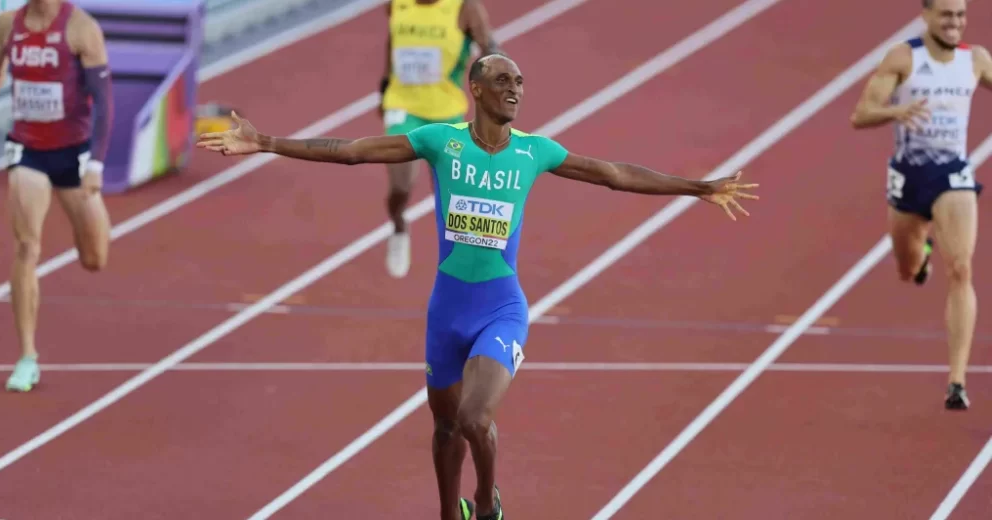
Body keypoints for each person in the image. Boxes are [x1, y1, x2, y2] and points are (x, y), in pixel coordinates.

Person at [197, 53, 759, 520]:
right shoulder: (441, 141)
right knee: (445, 428)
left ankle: (487, 505)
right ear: (476, 89)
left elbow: (614, 175)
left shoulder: (534, 152)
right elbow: (350, 152)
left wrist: (697, 187)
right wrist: (264, 141)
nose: (515, 89)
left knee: (473, 418)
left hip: (500, 308)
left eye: (520, 82)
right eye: (503, 80)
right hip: (446, 312)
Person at [850, 0, 990, 410]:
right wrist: (896, 110)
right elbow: (861, 115)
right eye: (946, 15)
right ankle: (922, 254)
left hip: (952, 173)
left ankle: (957, 382)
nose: (955, 22)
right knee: (907, 269)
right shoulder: (903, 58)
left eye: (960, 15)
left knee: (961, 268)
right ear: (926, 16)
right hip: (909, 178)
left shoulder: (976, 59)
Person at [0, 0, 114, 392]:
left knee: (94, 258)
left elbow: (104, 103)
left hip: (73, 154)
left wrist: (96, 165)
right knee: (26, 247)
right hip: (27, 150)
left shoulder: (81, 28)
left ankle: (94, 213)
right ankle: (27, 357)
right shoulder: (8, 24)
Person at [379, 0, 499, 278]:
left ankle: (460, 256)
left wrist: (497, 66)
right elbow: (393, 41)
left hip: (446, 115)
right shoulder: (397, 4)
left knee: (449, 194)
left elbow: (489, 49)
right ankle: (399, 227)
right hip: (403, 109)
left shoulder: (465, 8)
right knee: (400, 187)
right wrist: (384, 87)